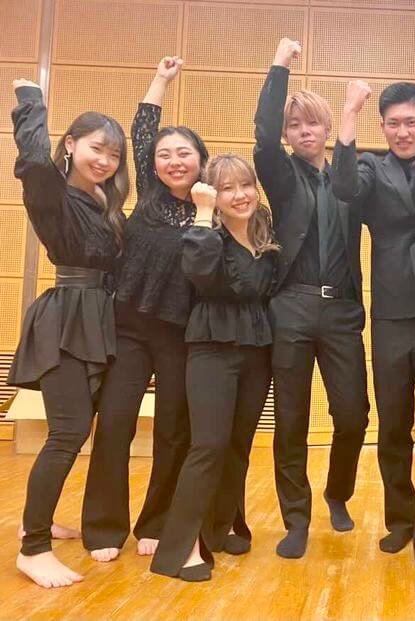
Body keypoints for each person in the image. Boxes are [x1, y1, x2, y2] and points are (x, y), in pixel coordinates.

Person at [82, 56, 210, 562]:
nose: (174, 161)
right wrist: (161, 80)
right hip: (130, 328)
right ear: (153, 164)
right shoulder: (151, 195)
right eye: (164, 155)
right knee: (115, 423)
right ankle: (104, 526)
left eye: (184, 153)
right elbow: (141, 132)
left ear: (200, 159)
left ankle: (156, 521)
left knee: (174, 431)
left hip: (182, 334)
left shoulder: (211, 206)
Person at [331, 79, 415, 570]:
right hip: (390, 316)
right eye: (393, 124)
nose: (403, 132)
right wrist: (349, 113)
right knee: (393, 428)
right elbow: (343, 188)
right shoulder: (369, 167)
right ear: (382, 126)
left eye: (411, 122)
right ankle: (400, 521)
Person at [9, 78, 129, 587]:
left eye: (114, 154)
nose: (105, 160)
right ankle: (33, 548)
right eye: (97, 148)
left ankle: (33, 522)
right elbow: (35, 162)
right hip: (64, 321)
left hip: (98, 319)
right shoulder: (52, 192)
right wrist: (30, 100)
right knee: (68, 432)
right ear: (71, 144)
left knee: (75, 432)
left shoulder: (104, 202)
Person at [254, 39, 370, 560]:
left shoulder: (351, 178)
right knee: (292, 420)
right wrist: (279, 65)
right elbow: (262, 136)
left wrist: (350, 115)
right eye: (295, 126)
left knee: (354, 415)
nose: (304, 132)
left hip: (341, 309)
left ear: (327, 130)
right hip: (292, 308)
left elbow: (350, 182)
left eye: (313, 124)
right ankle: (296, 518)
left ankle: (337, 493)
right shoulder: (282, 177)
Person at [150, 155, 277, 581]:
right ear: (213, 196)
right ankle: (179, 549)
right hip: (212, 348)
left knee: (239, 445)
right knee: (207, 446)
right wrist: (203, 212)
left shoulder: (266, 233)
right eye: (226, 188)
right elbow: (201, 274)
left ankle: (221, 526)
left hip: (257, 350)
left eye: (245, 185)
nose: (239, 195)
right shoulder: (206, 234)